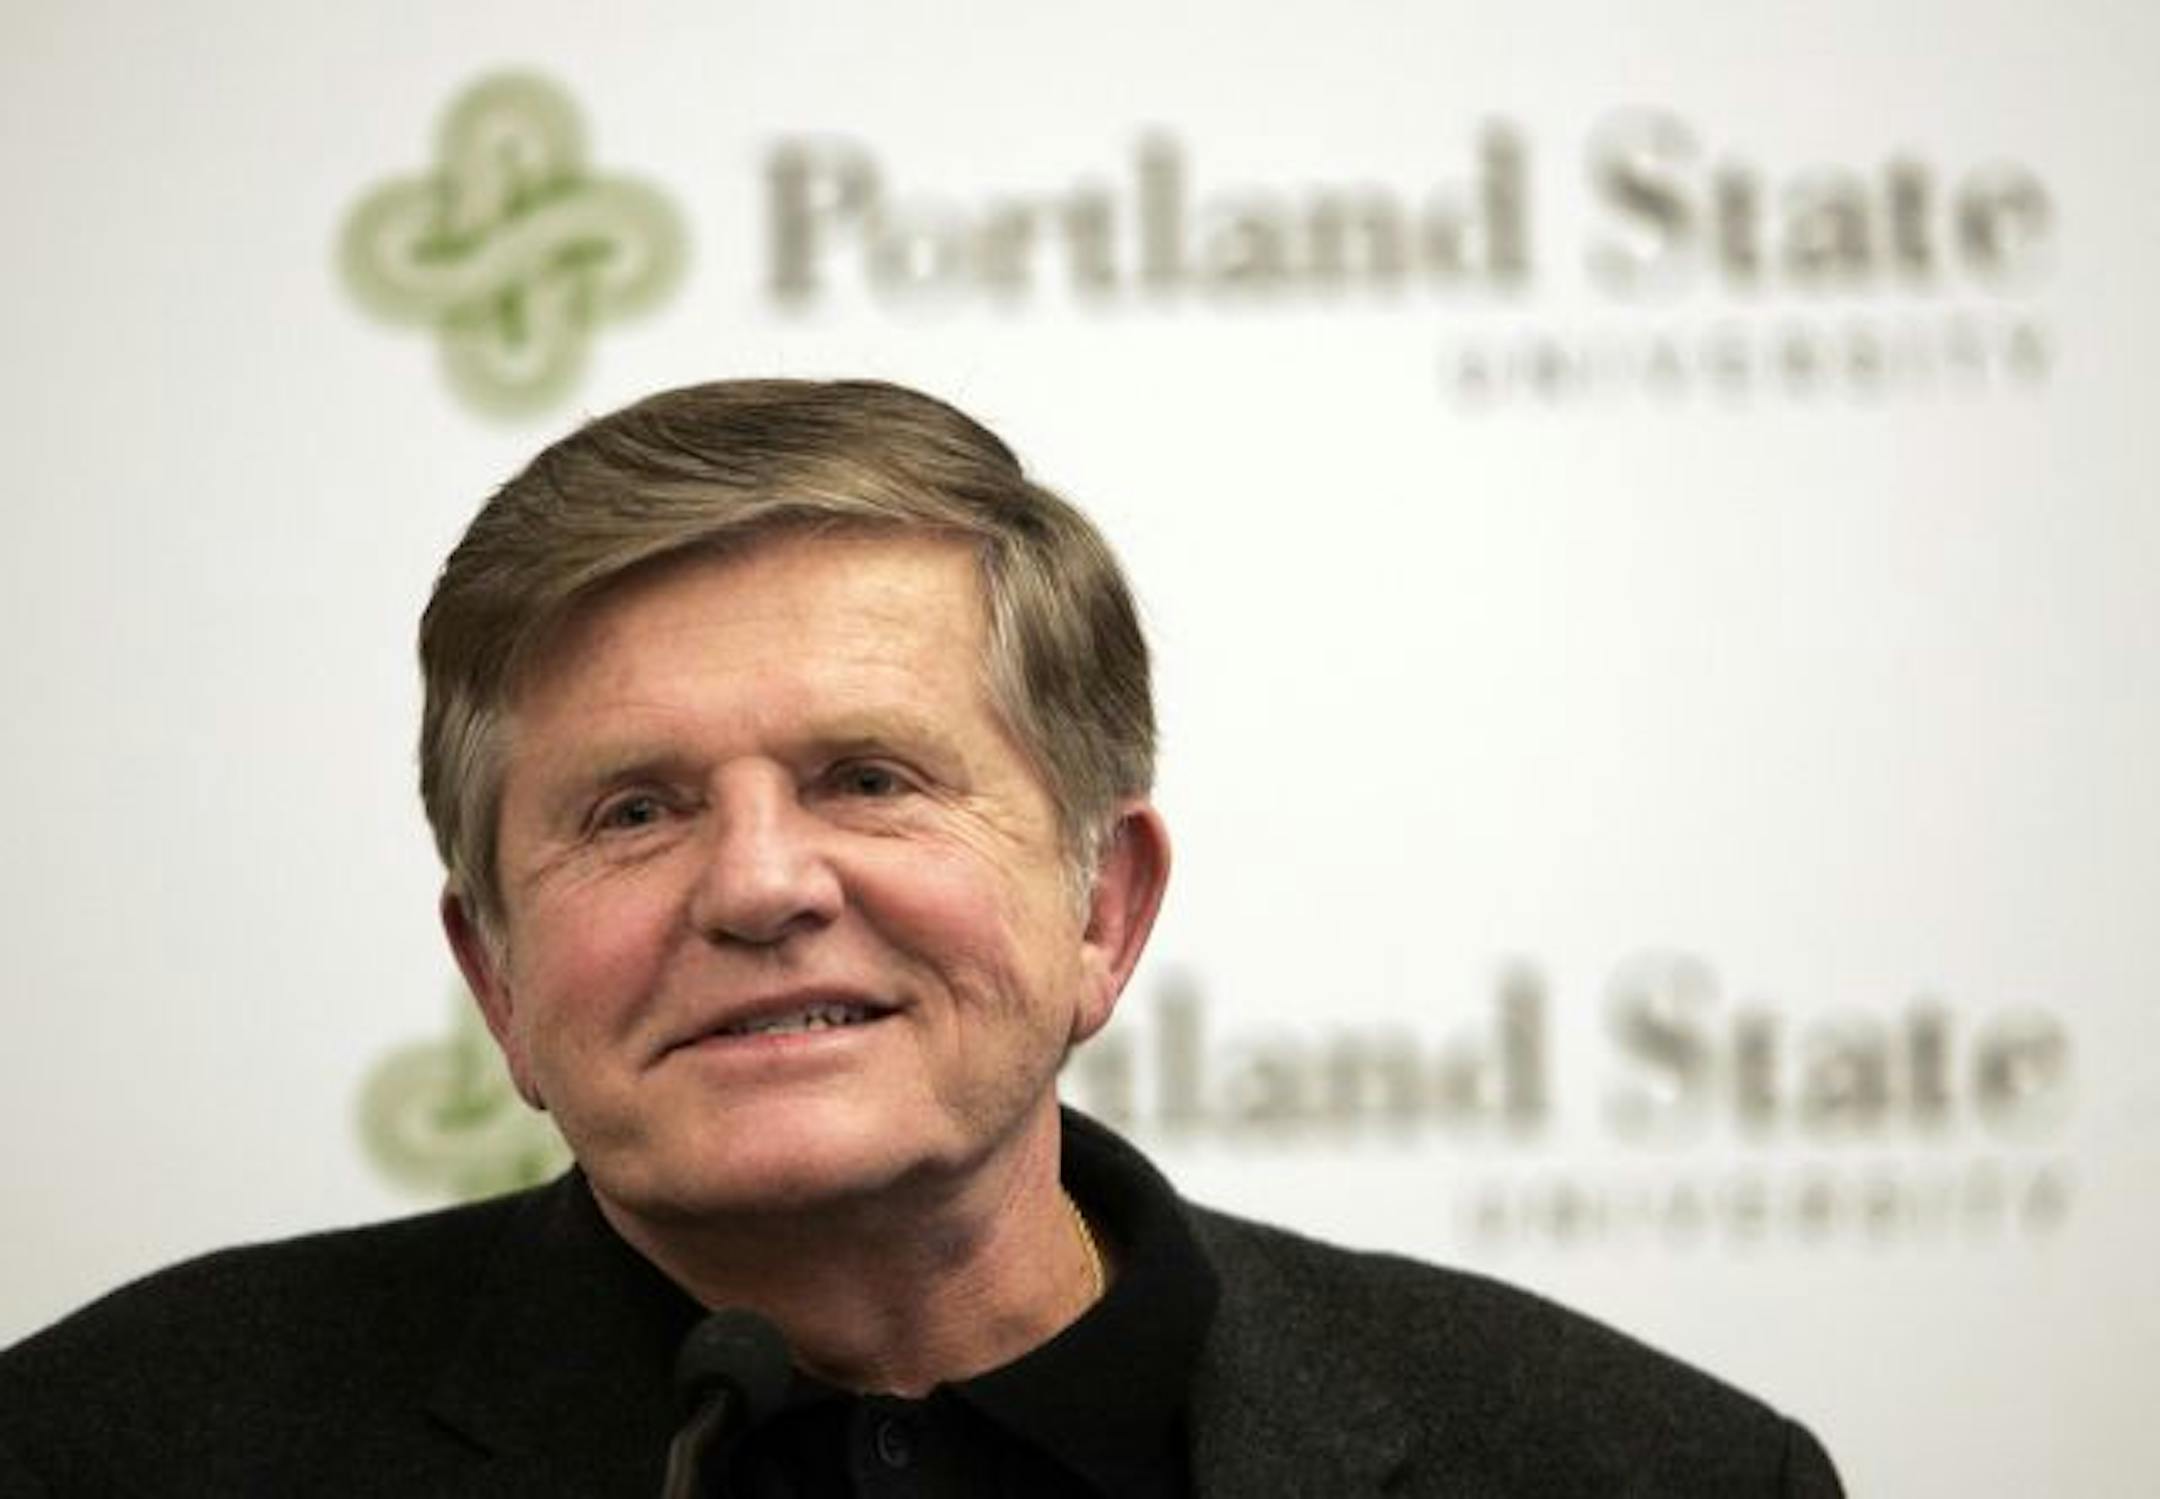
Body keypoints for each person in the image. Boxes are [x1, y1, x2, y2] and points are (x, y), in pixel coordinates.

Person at [0, 379, 1842, 1496]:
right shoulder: (107, 1454)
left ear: (1101, 908)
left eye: (869, 777)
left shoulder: (1640, 1470)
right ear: (496, 982)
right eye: (634, 811)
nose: (758, 884)